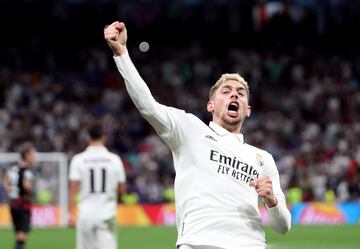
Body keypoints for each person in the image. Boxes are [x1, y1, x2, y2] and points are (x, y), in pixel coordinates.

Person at [104, 21, 291, 249]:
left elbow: (283, 227)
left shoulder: (262, 158)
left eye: (240, 93)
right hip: (199, 243)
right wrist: (121, 54)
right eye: (227, 91)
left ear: (248, 109)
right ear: (211, 105)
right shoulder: (189, 129)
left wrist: (271, 201)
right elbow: (147, 105)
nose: (234, 95)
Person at [68, 123, 126, 249]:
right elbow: (121, 188)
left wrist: (70, 214)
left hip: (85, 214)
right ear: (104, 138)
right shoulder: (114, 159)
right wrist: (118, 199)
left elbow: (73, 189)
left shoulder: (78, 159)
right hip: (107, 213)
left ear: (88, 138)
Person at [3, 142, 37, 249]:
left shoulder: (13, 168)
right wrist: (31, 193)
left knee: (18, 234)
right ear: (26, 155)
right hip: (23, 204)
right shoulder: (27, 171)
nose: (34, 157)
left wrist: (11, 192)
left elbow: (5, 182)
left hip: (13, 204)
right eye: (33, 154)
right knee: (22, 236)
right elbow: (26, 186)